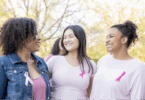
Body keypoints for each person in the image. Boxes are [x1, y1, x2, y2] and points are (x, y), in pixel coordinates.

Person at [90, 20, 145, 100]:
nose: (106, 40)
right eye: (106, 37)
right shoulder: (102, 61)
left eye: (111, 36)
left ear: (124, 40)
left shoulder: (138, 68)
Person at [0, 17, 51, 100]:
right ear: (21, 37)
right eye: (34, 34)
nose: (39, 38)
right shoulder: (3, 63)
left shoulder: (41, 62)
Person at [46, 25, 97, 100]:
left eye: (70, 36)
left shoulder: (91, 64)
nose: (66, 40)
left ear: (80, 38)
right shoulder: (54, 60)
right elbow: (40, 84)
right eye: (65, 37)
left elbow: (91, 93)